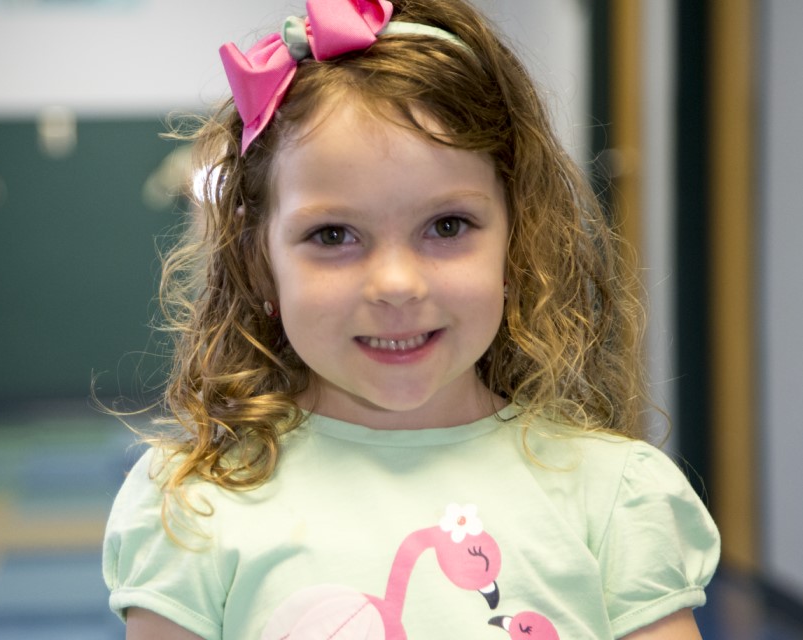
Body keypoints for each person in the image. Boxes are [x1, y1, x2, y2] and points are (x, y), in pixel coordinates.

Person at [102, 0, 720, 638]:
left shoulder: (613, 497)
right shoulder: (196, 508)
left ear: (517, 242)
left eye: (447, 226)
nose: (396, 284)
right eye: (334, 234)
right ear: (260, 265)